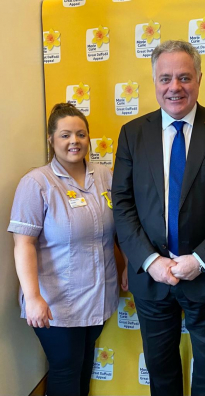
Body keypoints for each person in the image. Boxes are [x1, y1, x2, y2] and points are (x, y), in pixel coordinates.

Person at [112, 40, 205, 396]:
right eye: (165, 78)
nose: (174, 87)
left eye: (184, 77)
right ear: (154, 81)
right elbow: (123, 203)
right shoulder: (132, 134)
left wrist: (201, 260)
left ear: (200, 79)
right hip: (152, 279)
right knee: (160, 370)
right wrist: (149, 261)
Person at [8, 103, 121, 396]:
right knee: (65, 370)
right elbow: (24, 244)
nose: (74, 141)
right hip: (55, 303)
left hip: (98, 296)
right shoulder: (36, 183)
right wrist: (32, 297)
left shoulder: (105, 176)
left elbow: (118, 231)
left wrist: (126, 269)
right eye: (66, 135)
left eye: (81, 134)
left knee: (83, 368)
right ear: (51, 139)